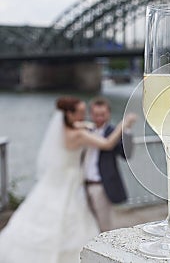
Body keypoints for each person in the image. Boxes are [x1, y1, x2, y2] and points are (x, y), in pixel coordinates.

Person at [0, 96, 136, 263]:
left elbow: (124, 152)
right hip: (73, 183)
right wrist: (123, 124)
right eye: (80, 112)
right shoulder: (79, 134)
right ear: (69, 115)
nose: (84, 115)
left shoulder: (66, 130)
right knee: (72, 220)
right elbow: (107, 144)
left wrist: (123, 132)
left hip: (65, 182)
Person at [83, 97, 136, 232]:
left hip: (101, 186)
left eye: (103, 114)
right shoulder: (85, 131)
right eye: (96, 114)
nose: (99, 118)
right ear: (91, 114)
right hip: (82, 185)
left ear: (109, 114)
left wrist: (127, 131)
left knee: (104, 225)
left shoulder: (114, 132)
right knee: (85, 224)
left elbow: (126, 154)